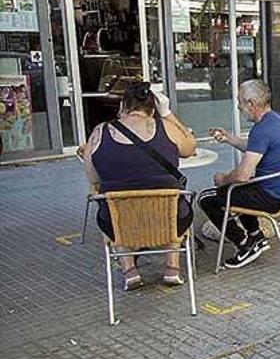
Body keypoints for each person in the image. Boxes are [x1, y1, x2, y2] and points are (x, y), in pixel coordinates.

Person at [82, 82, 197, 290]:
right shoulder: (167, 128)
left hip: (121, 226)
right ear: (153, 108)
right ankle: (172, 269)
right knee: (172, 202)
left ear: (123, 105)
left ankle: (130, 272)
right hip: (170, 222)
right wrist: (168, 113)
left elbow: (93, 178)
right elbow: (190, 147)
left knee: (114, 205)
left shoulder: (100, 132)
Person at [198, 79, 280, 269]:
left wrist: (222, 180)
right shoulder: (279, 120)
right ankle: (256, 236)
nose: (238, 107)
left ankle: (245, 246)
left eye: (240, 101)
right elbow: (256, 148)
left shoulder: (262, 129)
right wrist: (229, 139)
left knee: (207, 198)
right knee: (240, 190)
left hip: (271, 197)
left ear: (251, 104)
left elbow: (242, 175)